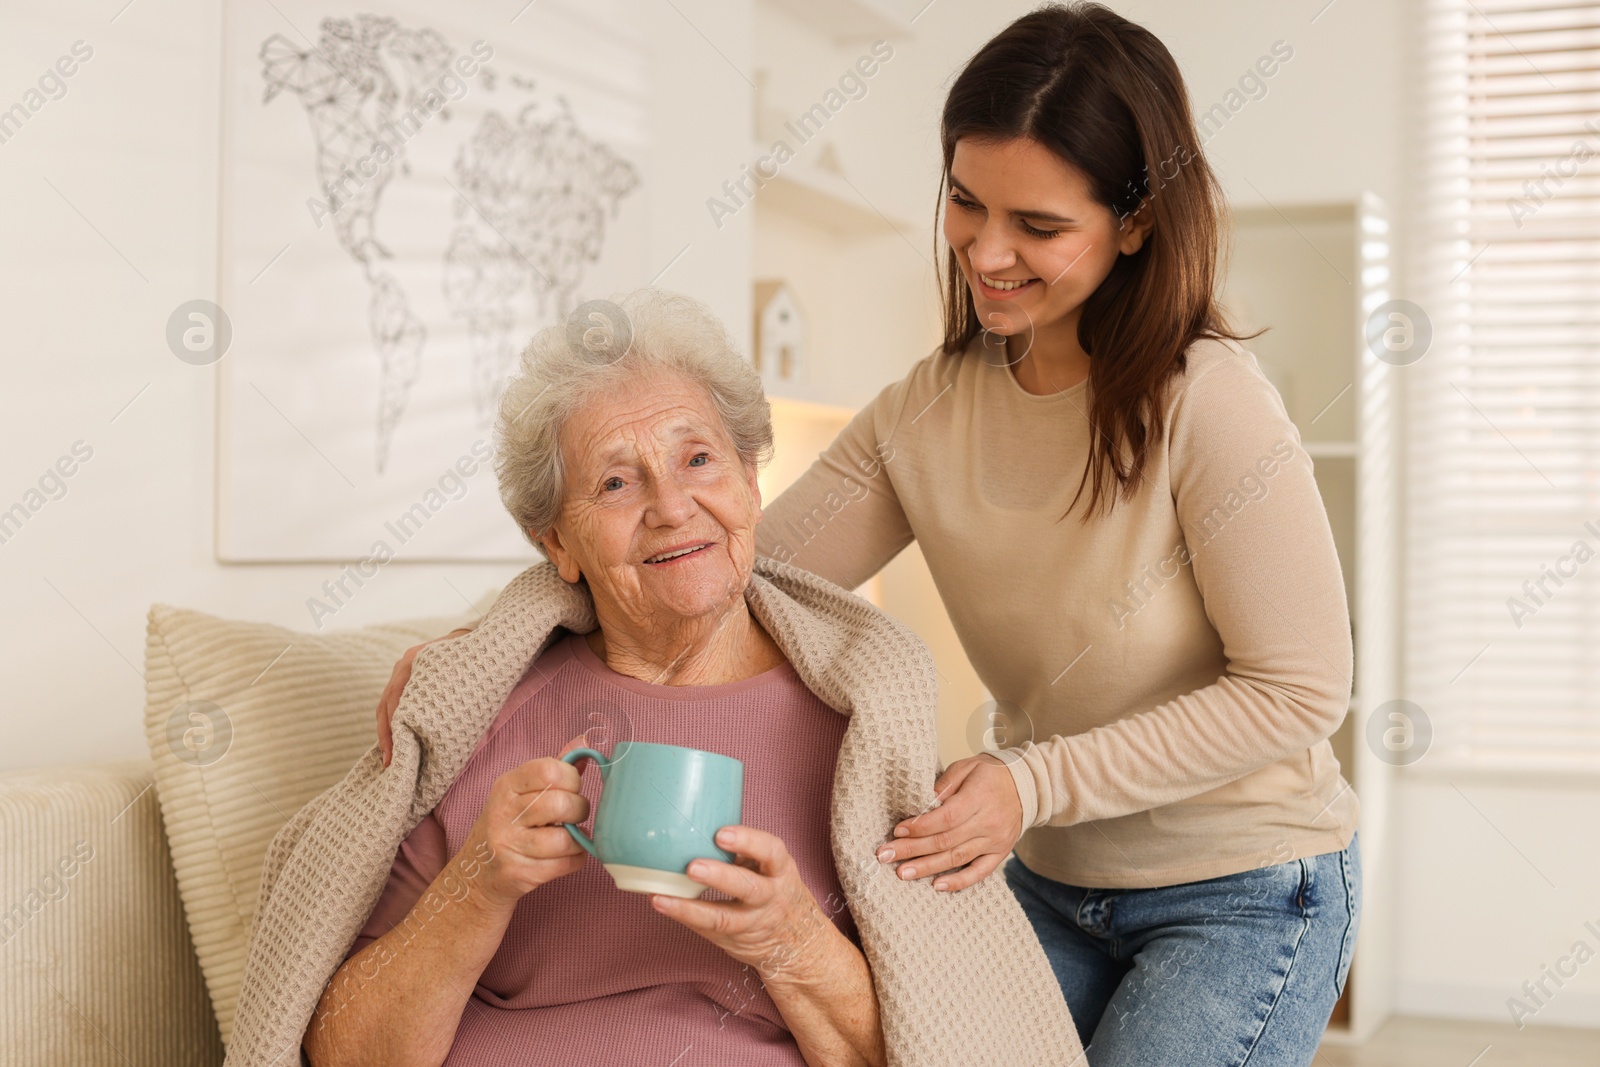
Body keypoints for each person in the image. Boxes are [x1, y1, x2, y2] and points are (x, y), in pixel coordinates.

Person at [378, 4, 1361, 1063]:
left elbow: (1299, 691)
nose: (987, 252)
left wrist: (1028, 782)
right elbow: (722, 565)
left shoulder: (1207, 402)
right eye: (965, 202)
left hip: (1243, 888)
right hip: (1050, 881)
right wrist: (475, 652)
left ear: (1133, 221)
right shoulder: (930, 410)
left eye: (1037, 226)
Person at [311, 287, 885, 1067]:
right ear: (558, 543)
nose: (672, 506)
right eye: (616, 483)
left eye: (698, 458)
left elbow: (935, 1043)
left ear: (751, 481)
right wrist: (476, 885)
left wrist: (793, 941)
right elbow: (341, 1054)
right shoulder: (478, 711)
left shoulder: (858, 724)